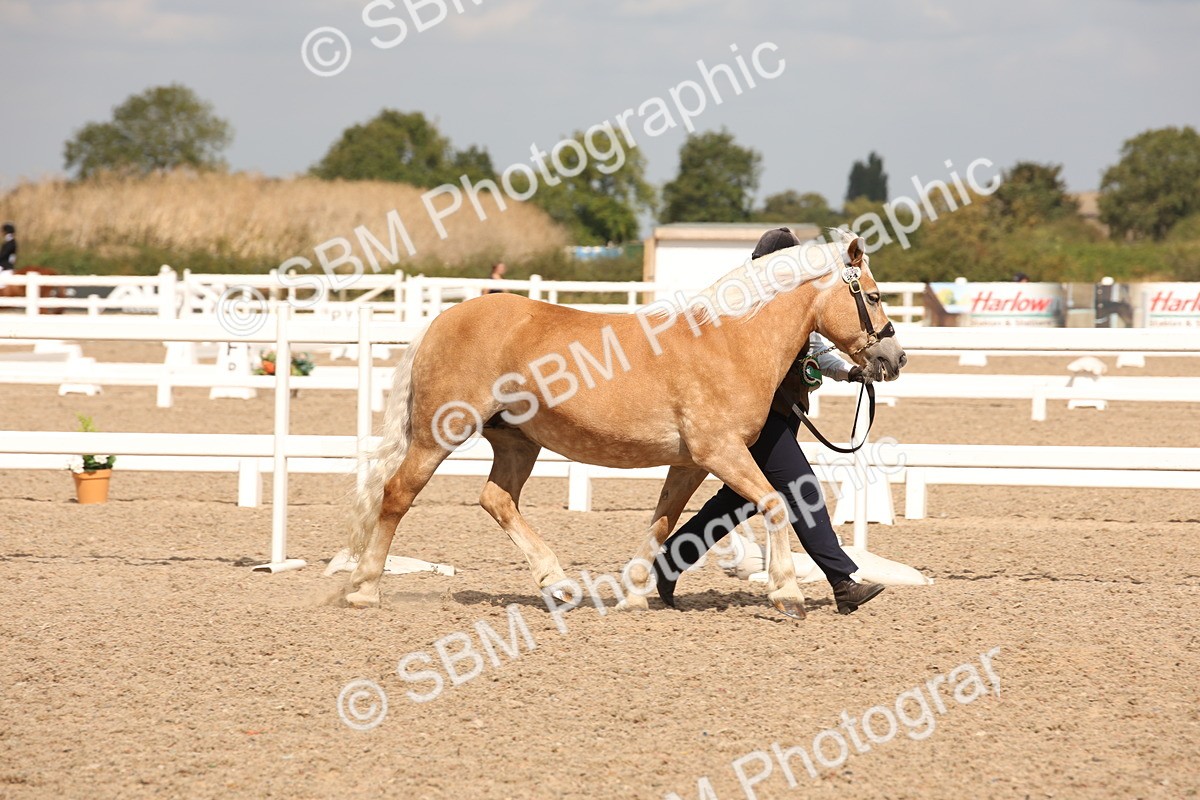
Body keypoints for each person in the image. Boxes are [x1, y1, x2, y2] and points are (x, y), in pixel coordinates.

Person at [653, 227, 886, 616]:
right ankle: (842, 582)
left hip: (783, 410)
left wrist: (850, 373)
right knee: (803, 490)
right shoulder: (745, 307)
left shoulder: (794, 305)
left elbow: (816, 351)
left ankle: (671, 560)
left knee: (738, 500)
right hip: (755, 415)